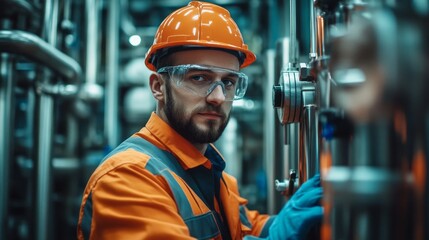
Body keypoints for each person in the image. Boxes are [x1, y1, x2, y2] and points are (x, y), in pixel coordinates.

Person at [77, 1, 323, 239]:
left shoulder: (212, 173)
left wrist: (290, 222)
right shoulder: (126, 179)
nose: (218, 97)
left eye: (228, 82)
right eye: (199, 78)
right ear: (158, 87)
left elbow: (243, 229)